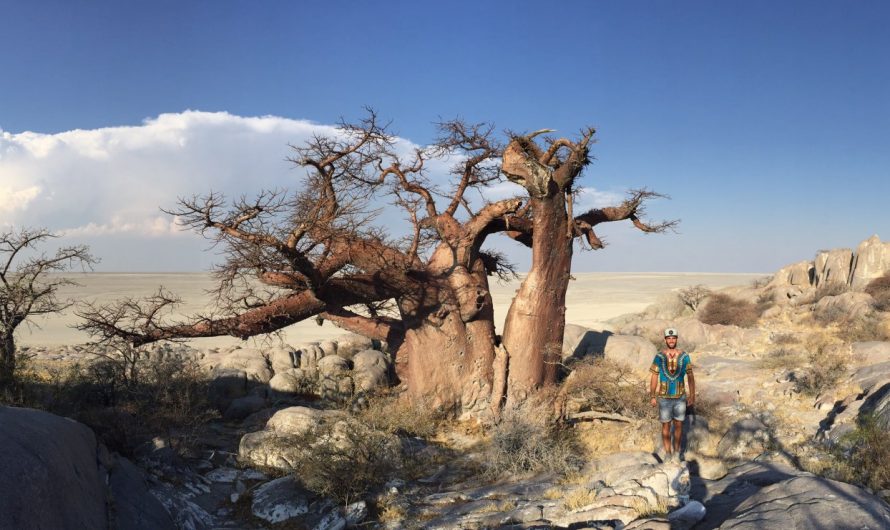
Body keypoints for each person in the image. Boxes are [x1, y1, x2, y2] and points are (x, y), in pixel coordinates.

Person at [649, 328, 695, 462]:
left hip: (680, 397)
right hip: (664, 398)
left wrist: (692, 395)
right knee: (665, 426)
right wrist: (652, 395)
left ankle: (676, 452)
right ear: (665, 340)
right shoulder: (659, 357)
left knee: (679, 425)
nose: (671, 340)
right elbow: (654, 377)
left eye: (673, 338)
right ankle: (668, 454)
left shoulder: (684, 356)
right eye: (668, 338)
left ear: (676, 339)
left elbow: (690, 376)